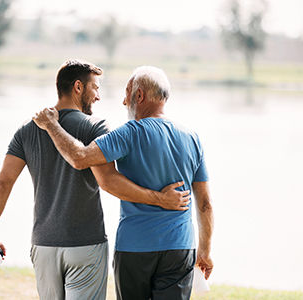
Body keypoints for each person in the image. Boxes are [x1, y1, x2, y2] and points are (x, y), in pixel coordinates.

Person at [0, 60, 191, 300]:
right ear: (78, 87)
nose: (99, 96)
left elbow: (1, 185)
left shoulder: (27, 130)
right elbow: (108, 181)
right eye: (95, 88)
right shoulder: (96, 127)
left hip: (43, 245)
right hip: (86, 245)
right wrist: (160, 199)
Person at [33, 66, 214, 300]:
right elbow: (205, 204)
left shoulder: (128, 133)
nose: (123, 101)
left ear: (139, 96)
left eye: (127, 93)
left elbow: (79, 158)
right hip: (179, 247)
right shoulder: (192, 137)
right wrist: (205, 251)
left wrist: (51, 125)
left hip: (134, 247)